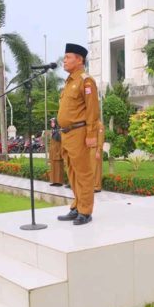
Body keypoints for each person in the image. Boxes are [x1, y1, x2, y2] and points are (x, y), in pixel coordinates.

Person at [57, 43, 100, 225]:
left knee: (83, 173)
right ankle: (76, 206)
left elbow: (92, 110)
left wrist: (91, 134)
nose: (64, 61)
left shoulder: (86, 80)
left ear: (79, 59)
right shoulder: (69, 82)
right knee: (72, 172)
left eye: (68, 57)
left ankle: (85, 211)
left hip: (80, 132)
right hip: (66, 134)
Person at [49, 117, 64, 187]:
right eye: (51, 122)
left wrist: (60, 153)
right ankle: (54, 181)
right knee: (53, 167)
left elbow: (61, 143)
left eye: (53, 122)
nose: (51, 124)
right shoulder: (53, 131)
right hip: (53, 153)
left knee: (58, 167)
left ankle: (59, 182)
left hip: (58, 153)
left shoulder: (59, 132)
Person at [90, 120, 105, 192]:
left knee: (96, 168)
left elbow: (100, 138)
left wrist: (98, 150)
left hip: (96, 149)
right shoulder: (91, 124)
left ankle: (97, 186)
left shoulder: (99, 125)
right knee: (91, 168)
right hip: (90, 149)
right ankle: (92, 185)